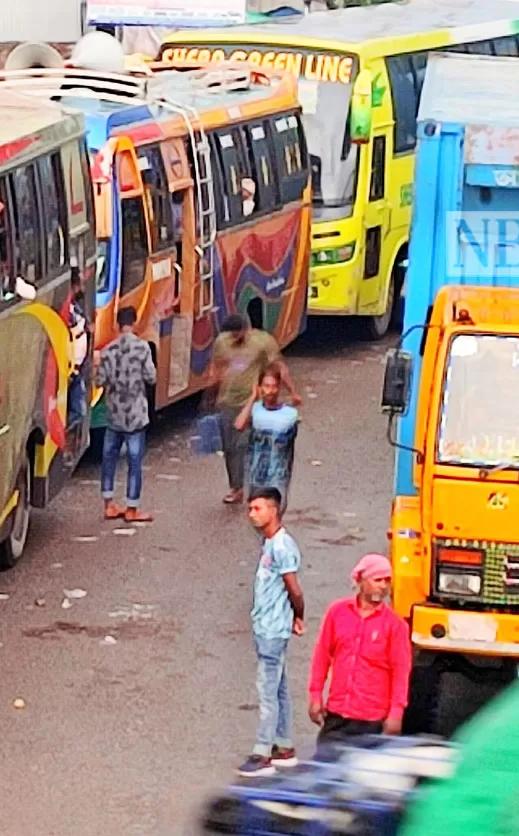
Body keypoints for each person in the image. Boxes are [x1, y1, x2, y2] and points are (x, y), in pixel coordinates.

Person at [308, 553, 412, 754]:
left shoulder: (395, 626)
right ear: (360, 581)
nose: (383, 586)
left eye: (387, 581)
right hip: (337, 717)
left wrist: (396, 713)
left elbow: (401, 672)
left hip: (371, 723)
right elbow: (322, 656)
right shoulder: (337, 613)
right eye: (377, 580)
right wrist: (315, 695)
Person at [240, 487, 305, 778]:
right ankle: (284, 745)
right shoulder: (270, 544)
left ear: (273, 510)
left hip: (273, 630)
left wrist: (298, 615)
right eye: (251, 509)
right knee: (279, 688)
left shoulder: (281, 546)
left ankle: (262, 751)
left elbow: (294, 588)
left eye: (257, 508)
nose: (252, 514)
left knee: (267, 691)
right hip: (267, 627)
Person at [209, 314, 299, 506]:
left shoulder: (262, 342)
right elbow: (216, 368)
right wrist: (209, 394)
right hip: (226, 401)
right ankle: (236, 486)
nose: (232, 338)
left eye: (236, 334)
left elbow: (279, 367)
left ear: (245, 329)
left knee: (245, 445)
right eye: (230, 335)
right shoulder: (222, 342)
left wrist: (292, 391)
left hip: (252, 403)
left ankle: (253, 488)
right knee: (229, 448)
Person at [96, 307, 157, 523]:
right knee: (134, 460)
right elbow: (151, 377)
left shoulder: (108, 351)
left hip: (114, 413)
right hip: (137, 414)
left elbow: (100, 381)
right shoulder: (143, 348)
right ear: (135, 322)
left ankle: (108, 504)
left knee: (109, 457)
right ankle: (132, 508)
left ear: (117, 324)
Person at [235, 369, 300, 510]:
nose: (270, 391)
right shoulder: (255, 410)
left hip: (278, 477)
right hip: (255, 476)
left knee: (274, 514)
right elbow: (239, 425)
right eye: (266, 386)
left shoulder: (289, 415)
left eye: (274, 386)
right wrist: (252, 398)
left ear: (279, 388)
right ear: (259, 388)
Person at [61, 267, 91, 434]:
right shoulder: (67, 309)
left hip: (76, 366)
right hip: (71, 369)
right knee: (78, 411)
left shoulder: (74, 306)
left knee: (79, 410)